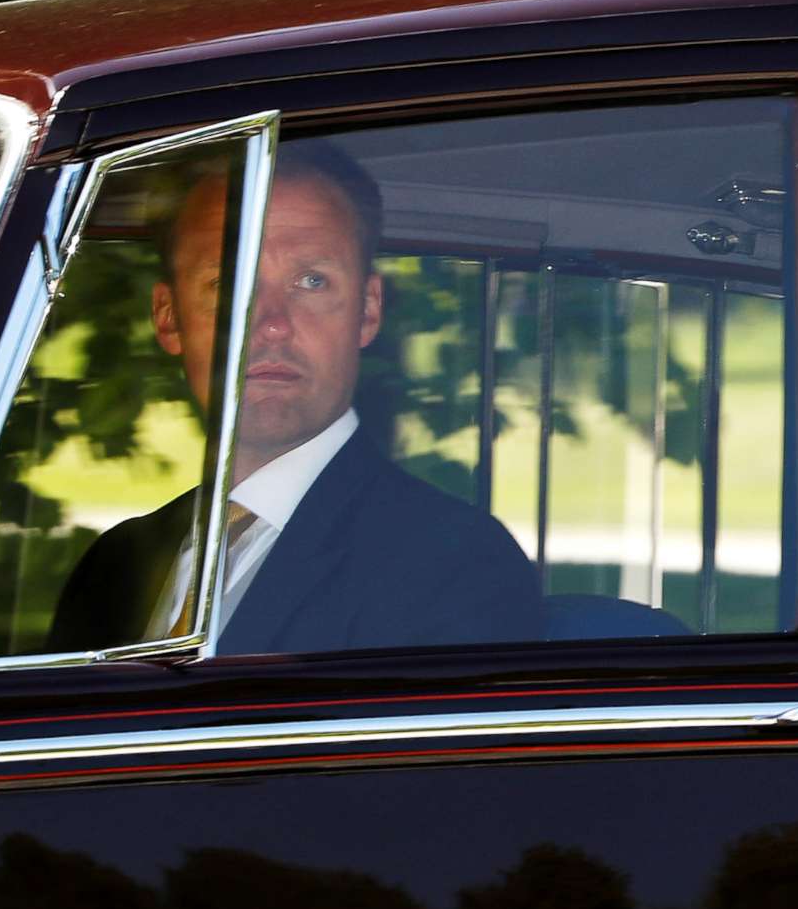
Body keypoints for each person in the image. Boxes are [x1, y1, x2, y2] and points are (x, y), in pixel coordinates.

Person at [47, 141, 542, 655]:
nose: (273, 325)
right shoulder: (111, 569)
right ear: (168, 316)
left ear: (368, 310)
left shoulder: (453, 563)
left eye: (311, 281)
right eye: (229, 282)